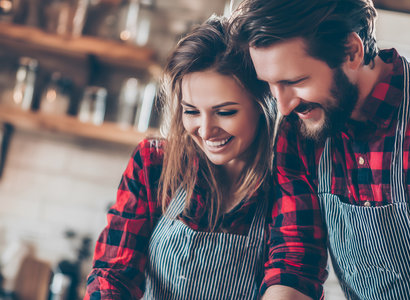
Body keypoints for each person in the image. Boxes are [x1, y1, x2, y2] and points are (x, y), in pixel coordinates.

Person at [230, 0, 410, 299]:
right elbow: (296, 258)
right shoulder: (298, 132)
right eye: (271, 84)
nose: (284, 105)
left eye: (295, 81)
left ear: (351, 51)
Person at [84, 15, 276, 299]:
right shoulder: (154, 164)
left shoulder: (287, 185)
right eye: (191, 111)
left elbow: (295, 278)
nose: (206, 130)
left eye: (225, 112)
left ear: (263, 106)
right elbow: (114, 273)